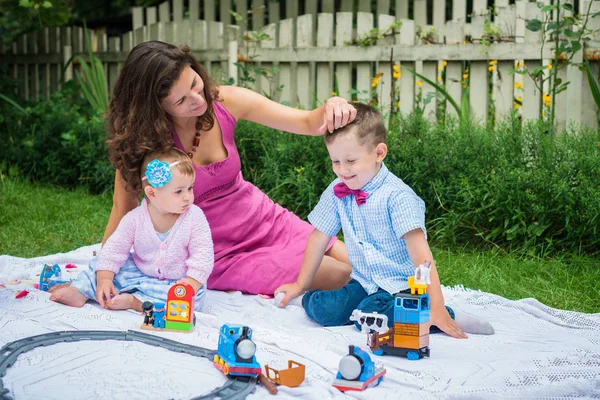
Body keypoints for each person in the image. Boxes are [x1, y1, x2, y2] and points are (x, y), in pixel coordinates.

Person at [99, 41, 355, 296]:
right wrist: (100, 272)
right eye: (181, 100)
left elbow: (307, 122)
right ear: (155, 107)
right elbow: (123, 209)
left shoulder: (225, 101)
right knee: (336, 273)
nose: (198, 100)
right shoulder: (143, 142)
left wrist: (333, 105)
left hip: (264, 220)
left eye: (194, 83)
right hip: (219, 251)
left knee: (356, 261)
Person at [274, 103, 494, 338]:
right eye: (335, 161)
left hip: (401, 286)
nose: (342, 170)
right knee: (328, 310)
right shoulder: (337, 190)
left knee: (369, 317)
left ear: (379, 153)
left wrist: (437, 302)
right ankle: (308, 300)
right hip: (364, 282)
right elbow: (319, 238)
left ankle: (440, 312)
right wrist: (300, 284)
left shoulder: (398, 196)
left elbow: (422, 256)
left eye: (350, 161)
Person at [49, 148, 214, 312]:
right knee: (101, 267)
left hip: (176, 281)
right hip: (138, 271)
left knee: (189, 301)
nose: (187, 197)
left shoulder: (194, 217)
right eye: (179, 191)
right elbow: (115, 248)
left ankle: (134, 302)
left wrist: (191, 283)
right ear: (152, 193)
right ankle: (82, 291)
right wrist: (105, 278)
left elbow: (203, 255)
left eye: (190, 188)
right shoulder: (135, 219)